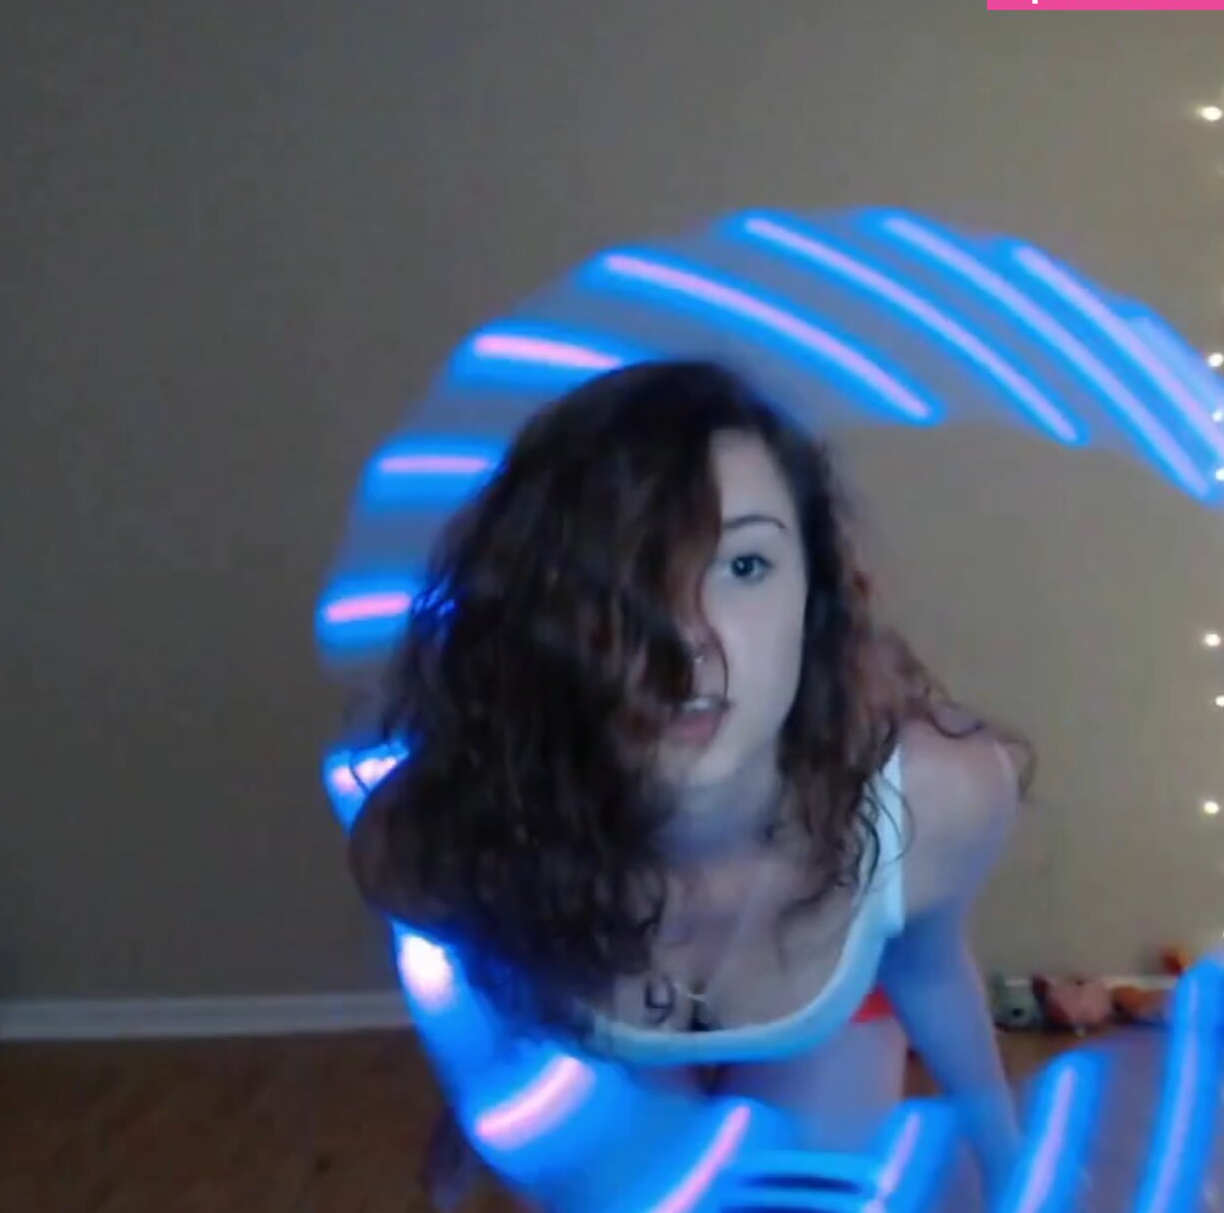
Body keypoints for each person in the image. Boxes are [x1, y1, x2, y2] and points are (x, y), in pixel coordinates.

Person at [346, 359, 1031, 1207]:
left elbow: (926, 968)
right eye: (619, 575)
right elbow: (479, 1001)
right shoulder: (428, 845)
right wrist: (490, 1099)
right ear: (535, 618)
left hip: (827, 1017)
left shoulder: (939, 800)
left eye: (743, 566)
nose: (684, 639)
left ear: (818, 599)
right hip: (575, 1011)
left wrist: (1009, 1160)